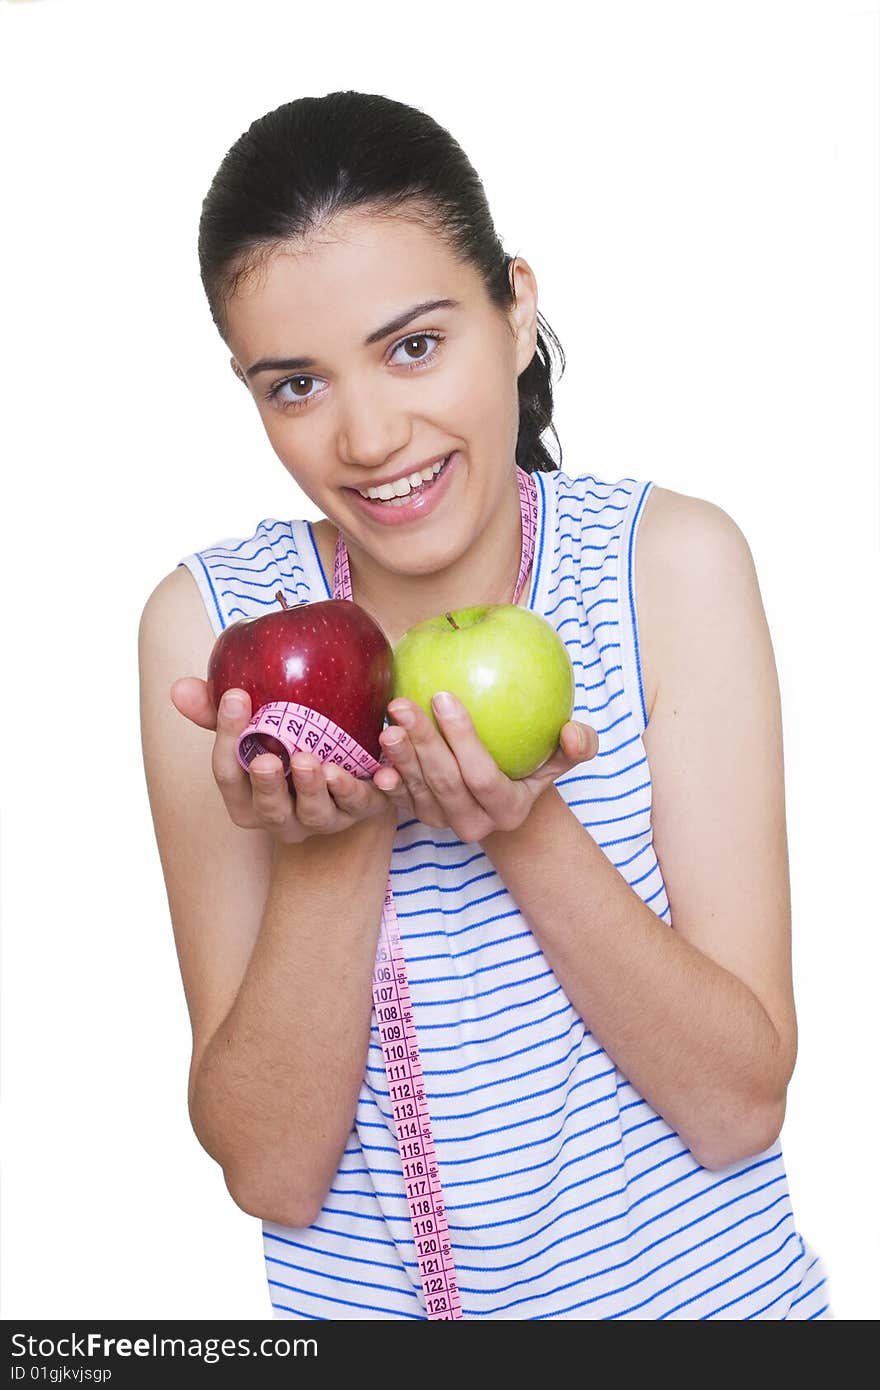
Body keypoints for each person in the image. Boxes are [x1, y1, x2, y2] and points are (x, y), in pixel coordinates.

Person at [138, 90, 831, 1321]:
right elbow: (272, 1170)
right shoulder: (211, 630)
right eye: (295, 384)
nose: (367, 433)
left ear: (515, 309)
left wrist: (522, 823)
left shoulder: (665, 569)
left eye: (414, 345)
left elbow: (738, 1106)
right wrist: (331, 840)